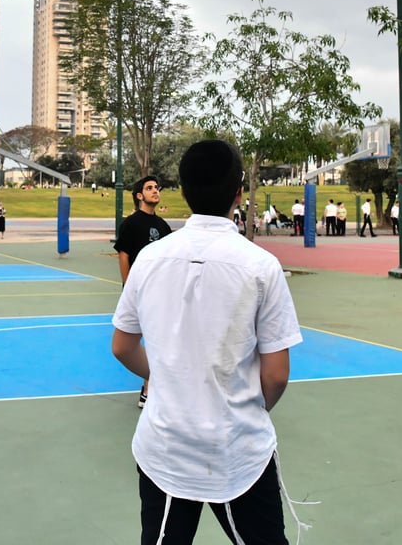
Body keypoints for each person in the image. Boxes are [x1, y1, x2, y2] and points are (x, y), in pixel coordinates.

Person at [111, 139, 303, 545]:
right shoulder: (261, 266)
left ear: (182, 190)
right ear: (238, 193)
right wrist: (244, 408)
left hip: (165, 446)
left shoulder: (149, 259)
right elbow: (277, 374)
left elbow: (123, 346)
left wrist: (166, 376)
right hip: (238, 448)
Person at [114, 176, 172, 408]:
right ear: (140, 196)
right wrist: (129, 288)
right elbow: (124, 255)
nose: (155, 191)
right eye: (149, 188)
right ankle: (149, 387)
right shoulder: (130, 224)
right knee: (128, 343)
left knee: (160, 340)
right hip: (139, 293)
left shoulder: (163, 226)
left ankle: (149, 389)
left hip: (162, 293)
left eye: (156, 188)